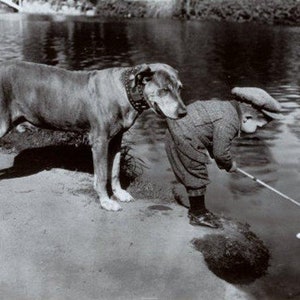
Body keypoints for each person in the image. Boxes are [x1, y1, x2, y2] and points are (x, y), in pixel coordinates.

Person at [165, 87, 283, 228]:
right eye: (258, 126)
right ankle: (198, 214)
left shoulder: (227, 109)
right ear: (247, 118)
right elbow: (221, 153)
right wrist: (229, 165)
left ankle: (199, 210)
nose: (257, 130)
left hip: (179, 129)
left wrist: (217, 155)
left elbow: (208, 133)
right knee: (195, 171)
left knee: (194, 170)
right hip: (182, 135)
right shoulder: (230, 122)